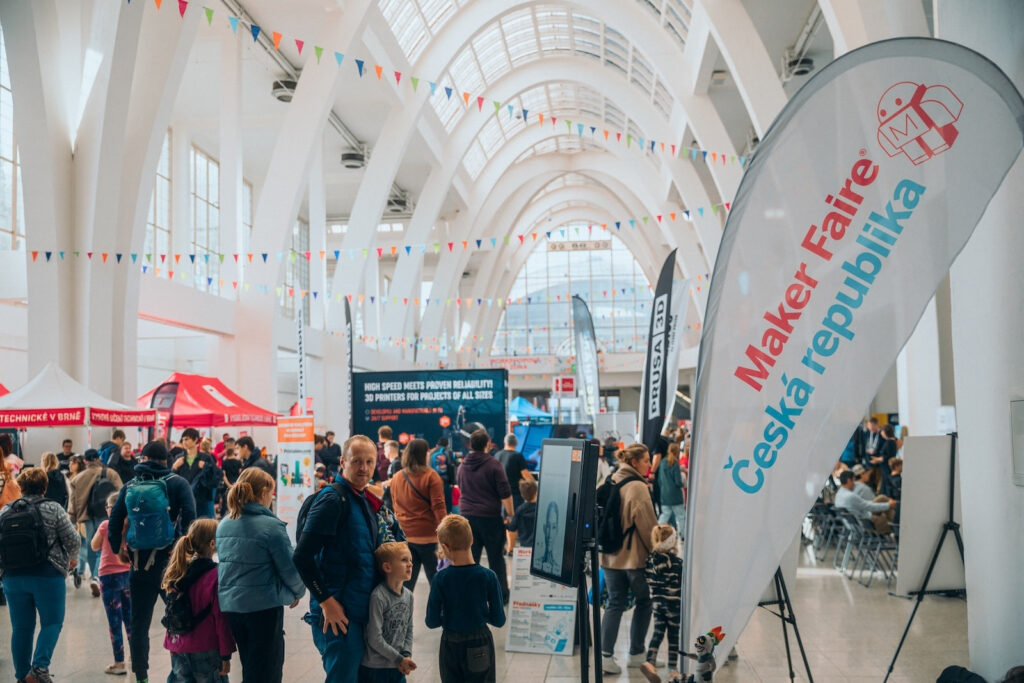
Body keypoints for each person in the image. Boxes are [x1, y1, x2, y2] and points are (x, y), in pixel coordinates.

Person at [292, 435, 384, 683]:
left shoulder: (361, 499)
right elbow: (301, 557)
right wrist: (326, 602)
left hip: (358, 610)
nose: (363, 468)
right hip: (338, 615)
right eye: (357, 461)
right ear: (343, 462)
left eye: (369, 461)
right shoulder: (333, 500)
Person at [107, 440, 197, 683]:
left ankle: (141, 677)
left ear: (143, 459)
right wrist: (183, 550)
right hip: (171, 564)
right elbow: (191, 519)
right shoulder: (178, 483)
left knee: (139, 624)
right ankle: (182, 671)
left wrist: (118, 550)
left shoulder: (130, 485)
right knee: (180, 616)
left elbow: (114, 522)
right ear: (166, 460)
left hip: (138, 563)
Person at [217, 467, 305, 683]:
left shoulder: (224, 524)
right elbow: (289, 569)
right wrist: (297, 592)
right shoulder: (271, 527)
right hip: (263, 609)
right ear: (264, 492)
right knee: (267, 672)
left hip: (233, 608)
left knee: (250, 666)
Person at [0, 467, 80, 683]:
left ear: (21, 487)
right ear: (44, 487)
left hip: (12, 578)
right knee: (52, 623)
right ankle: (38, 668)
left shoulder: (6, 511)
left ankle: (21, 676)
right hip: (47, 575)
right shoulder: (53, 508)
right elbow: (73, 539)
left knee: (21, 628)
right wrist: (72, 558)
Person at [425, 514, 506, 683]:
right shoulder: (488, 576)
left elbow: (431, 621)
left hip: (450, 642)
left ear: (445, 547)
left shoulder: (440, 578)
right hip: (480, 641)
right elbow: (499, 620)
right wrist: (480, 614)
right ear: (472, 540)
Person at [600, 443, 658, 675]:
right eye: (646, 460)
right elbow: (648, 527)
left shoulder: (611, 479)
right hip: (634, 559)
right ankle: (636, 654)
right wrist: (657, 551)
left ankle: (605, 656)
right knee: (645, 601)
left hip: (609, 556)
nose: (649, 464)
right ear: (634, 462)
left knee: (614, 602)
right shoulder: (638, 487)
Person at [161, 519, 235, 682]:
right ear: (212, 543)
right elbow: (221, 618)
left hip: (178, 645)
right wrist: (226, 654)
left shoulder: (178, 571)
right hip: (206, 647)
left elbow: (172, 609)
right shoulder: (216, 576)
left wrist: (171, 641)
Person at [455, 429, 514, 604]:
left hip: (467, 518)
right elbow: (505, 493)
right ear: (487, 444)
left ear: (470, 445)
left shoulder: (462, 466)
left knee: (470, 558)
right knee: (496, 559)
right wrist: (510, 514)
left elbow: (461, 488)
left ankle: (470, 595)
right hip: (490, 518)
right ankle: (500, 595)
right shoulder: (494, 465)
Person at [389, 438, 447, 591]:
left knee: (405, 587)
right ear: (424, 454)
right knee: (438, 585)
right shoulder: (431, 476)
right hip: (429, 539)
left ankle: (403, 608)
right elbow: (439, 508)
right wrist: (445, 536)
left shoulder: (397, 477)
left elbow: (396, 507)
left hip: (405, 539)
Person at [68, 447, 123, 598]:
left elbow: (72, 501)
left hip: (86, 516)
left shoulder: (77, 478)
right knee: (103, 546)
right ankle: (96, 577)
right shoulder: (110, 473)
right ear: (98, 458)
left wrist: (73, 519)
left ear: (85, 461)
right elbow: (121, 491)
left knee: (91, 547)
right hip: (105, 514)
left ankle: (94, 576)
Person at [360, 541, 416, 683]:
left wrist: (406, 655)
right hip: (376, 669)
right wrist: (399, 659)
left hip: (398, 666)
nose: (410, 564)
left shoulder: (409, 596)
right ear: (387, 567)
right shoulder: (379, 596)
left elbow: (409, 629)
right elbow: (374, 638)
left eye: (410, 560)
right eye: (404, 560)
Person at [90, 492, 132, 676]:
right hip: (128, 574)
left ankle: (119, 662)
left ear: (112, 509)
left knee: (114, 621)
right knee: (130, 619)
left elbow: (94, 546)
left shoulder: (106, 525)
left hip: (108, 577)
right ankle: (136, 658)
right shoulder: (130, 524)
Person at [641, 524, 684, 683]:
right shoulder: (677, 563)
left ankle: (650, 662)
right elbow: (682, 583)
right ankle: (672, 669)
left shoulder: (650, 560)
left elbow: (647, 579)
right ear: (672, 542)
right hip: (674, 605)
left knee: (657, 633)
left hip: (657, 603)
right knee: (673, 636)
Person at [493, 433, 534, 555]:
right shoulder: (517, 456)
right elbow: (526, 474)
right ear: (516, 444)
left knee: (503, 521)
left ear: (504, 442)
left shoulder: (497, 455)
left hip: (498, 495)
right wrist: (535, 484)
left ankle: (501, 546)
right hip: (514, 494)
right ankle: (511, 549)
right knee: (513, 520)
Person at [173, 428, 222, 519]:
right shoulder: (179, 458)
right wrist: (174, 467)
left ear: (195, 439)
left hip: (202, 500)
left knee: (202, 524)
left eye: (187, 439)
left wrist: (206, 467)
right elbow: (172, 478)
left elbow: (215, 477)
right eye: (183, 439)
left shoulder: (205, 458)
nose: (184, 442)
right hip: (185, 499)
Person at [656, 443, 686, 537]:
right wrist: (683, 483)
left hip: (664, 494)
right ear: (677, 452)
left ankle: (656, 532)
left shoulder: (662, 462)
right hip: (675, 495)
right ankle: (683, 535)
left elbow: (659, 480)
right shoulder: (675, 464)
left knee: (665, 515)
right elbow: (678, 482)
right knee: (681, 516)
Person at [505, 479, 538, 549]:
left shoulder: (520, 510)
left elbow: (512, 528)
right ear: (536, 493)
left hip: (524, 546)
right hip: (538, 545)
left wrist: (506, 524)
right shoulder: (540, 509)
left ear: (522, 495)